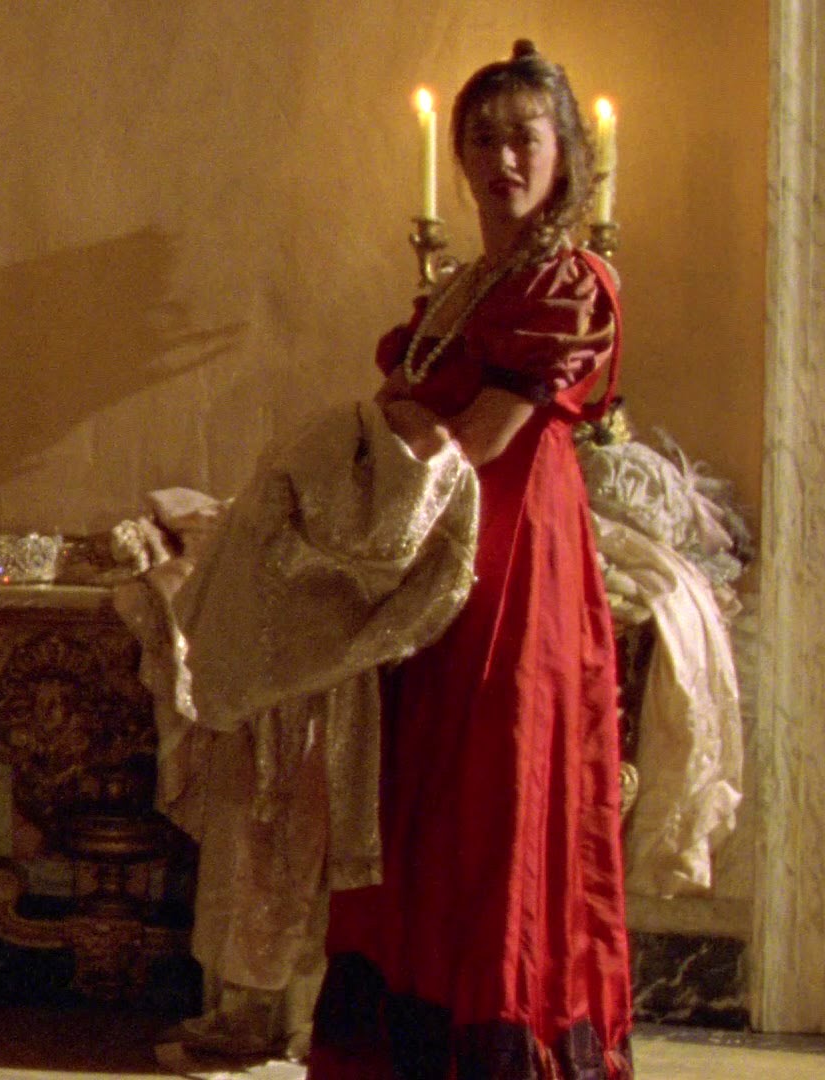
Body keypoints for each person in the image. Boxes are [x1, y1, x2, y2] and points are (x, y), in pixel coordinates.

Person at [307, 41, 635, 1079]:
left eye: (523, 138)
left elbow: (481, 437)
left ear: (563, 151)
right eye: (482, 140)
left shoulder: (566, 281)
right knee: (425, 791)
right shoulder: (459, 287)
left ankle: (500, 1030)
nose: (501, 160)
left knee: (496, 787)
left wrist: (393, 438)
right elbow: (398, 403)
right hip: (431, 552)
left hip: (512, 561)